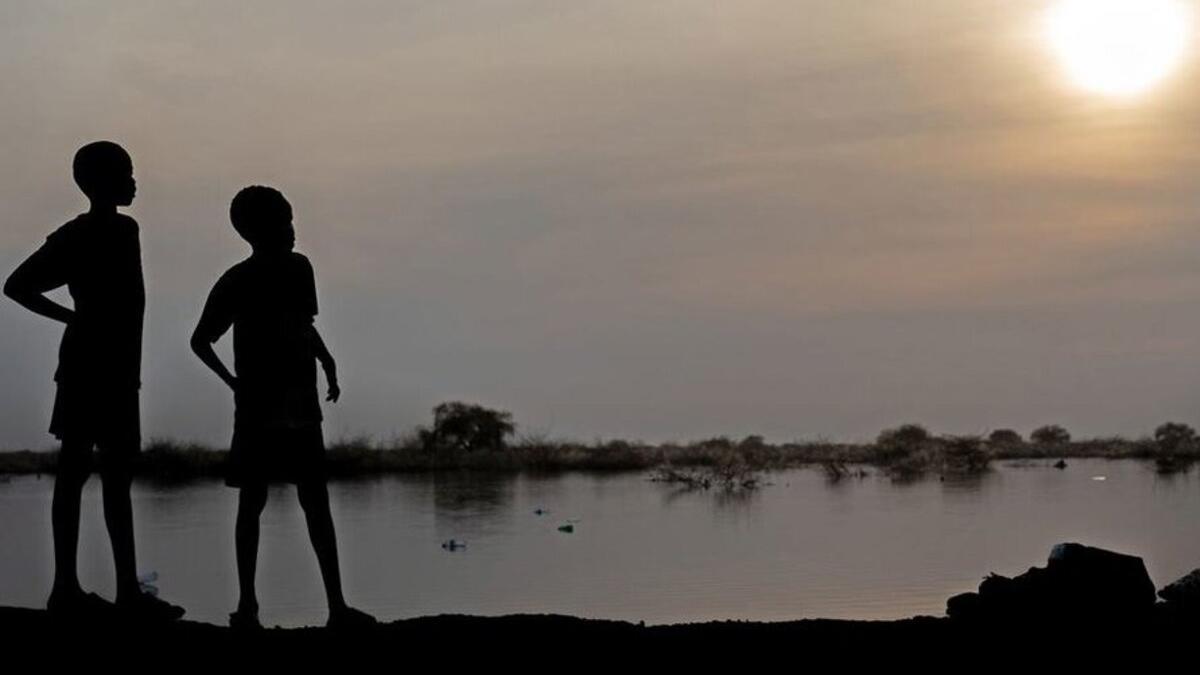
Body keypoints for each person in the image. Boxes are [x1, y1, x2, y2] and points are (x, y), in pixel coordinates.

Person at [3, 141, 184, 620]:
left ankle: (105, 589)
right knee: (87, 474)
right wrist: (73, 320)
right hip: (95, 368)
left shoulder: (104, 232)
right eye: (126, 172)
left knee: (97, 475)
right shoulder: (102, 232)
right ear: (101, 181)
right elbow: (16, 286)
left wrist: (76, 321)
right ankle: (82, 589)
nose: (134, 181)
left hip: (112, 368)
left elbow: (19, 287)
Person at [190, 185, 376, 630]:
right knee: (255, 502)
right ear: (254, 230)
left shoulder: (298, 268)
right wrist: (234, 382)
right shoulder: (237, 281)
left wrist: (327, 362)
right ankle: (248, 606)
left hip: (300, 404)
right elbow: (200, 340)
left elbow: (303, 324)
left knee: (314, 502)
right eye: (283, 222)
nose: (292, 230)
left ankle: (336, 607)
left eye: (291, 220)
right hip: (258, 408)